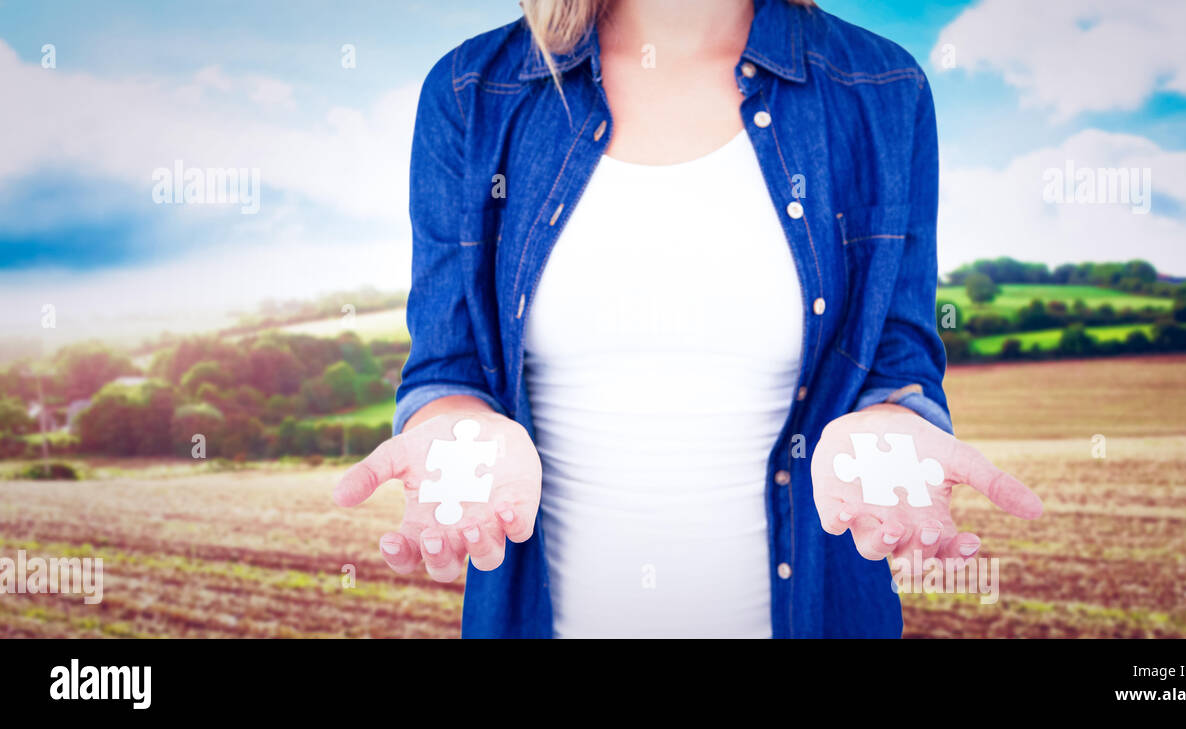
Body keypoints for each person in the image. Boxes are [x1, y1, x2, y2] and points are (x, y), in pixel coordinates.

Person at [334, 0, 1043, 638]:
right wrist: (457, 429)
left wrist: (894, 423)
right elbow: (447, 367)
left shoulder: (883, 91)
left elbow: (897, 359)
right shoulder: (471, 93)